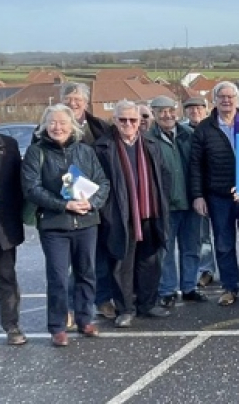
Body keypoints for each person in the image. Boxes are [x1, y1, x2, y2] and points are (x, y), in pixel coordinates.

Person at [22, 104, 109, 346]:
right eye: (52, 123)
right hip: (54, 225)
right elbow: (31, 188)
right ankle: (58, 326)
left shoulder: (85, 151)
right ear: (44, 126)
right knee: (58, 277)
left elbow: (103, 182)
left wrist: (91, 203)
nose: (57, 127)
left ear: (72, 126)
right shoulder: (35, 152)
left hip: (87, 222)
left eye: (62, 122)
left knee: (87, 273)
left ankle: (85, 319)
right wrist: (64, 205)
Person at [95, 100, 171, 327]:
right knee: (122, 265)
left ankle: (148, 304)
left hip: (150, 211)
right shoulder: (103, 147)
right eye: (122, 119)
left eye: (133, 120)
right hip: (120, 215)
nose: (128, 124)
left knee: (150, 261)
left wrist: (161, 204)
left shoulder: (151, 144)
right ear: (114, 120)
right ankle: (125, 309)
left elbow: (164, 176)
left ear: (140, 122)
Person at [190, 82, 239, 307]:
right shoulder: (204, 129)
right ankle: (230, 287)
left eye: (230, 96)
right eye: (221, 97)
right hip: (218, 195)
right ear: (215, 100)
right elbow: (195, 166)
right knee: (223, 243)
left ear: (237, 100)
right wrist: (198, 195)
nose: (226, 100)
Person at [61, 83, 114, 321]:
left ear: (86, 102)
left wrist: (98, 198)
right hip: (65, 203)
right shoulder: (52, 127)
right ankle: (70, 308)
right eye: (68, 98)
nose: (73, 103)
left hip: (97, 201)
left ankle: (102, 300)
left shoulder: (100, 127)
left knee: (99, 256)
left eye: (77, 99)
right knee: (72, 261)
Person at [149, 96, 207, 308]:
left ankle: (189, 287)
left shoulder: (189, 135)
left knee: (192, 247)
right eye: (162, 111)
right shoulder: (148, 139)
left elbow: (200, 166)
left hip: (190, 201)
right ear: (154, 113)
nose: (168, 115)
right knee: (165, 250)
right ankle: (168, 290)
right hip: (165, 205)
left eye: (171, 110)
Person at [0, 104, 28, 345]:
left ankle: (12, 326)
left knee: (7, 278)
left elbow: (19, 185)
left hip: (2, 226)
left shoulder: (9, 145)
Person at [183, 97, 217, 289]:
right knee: (201, 236)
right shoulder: (182, 133)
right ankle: (206, 270)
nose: (194, 111)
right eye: (190, 108)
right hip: (198, 191)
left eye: (198, 107)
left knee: (224, 236)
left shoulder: (213, 127)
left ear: (206, 109)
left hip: (218, 188)